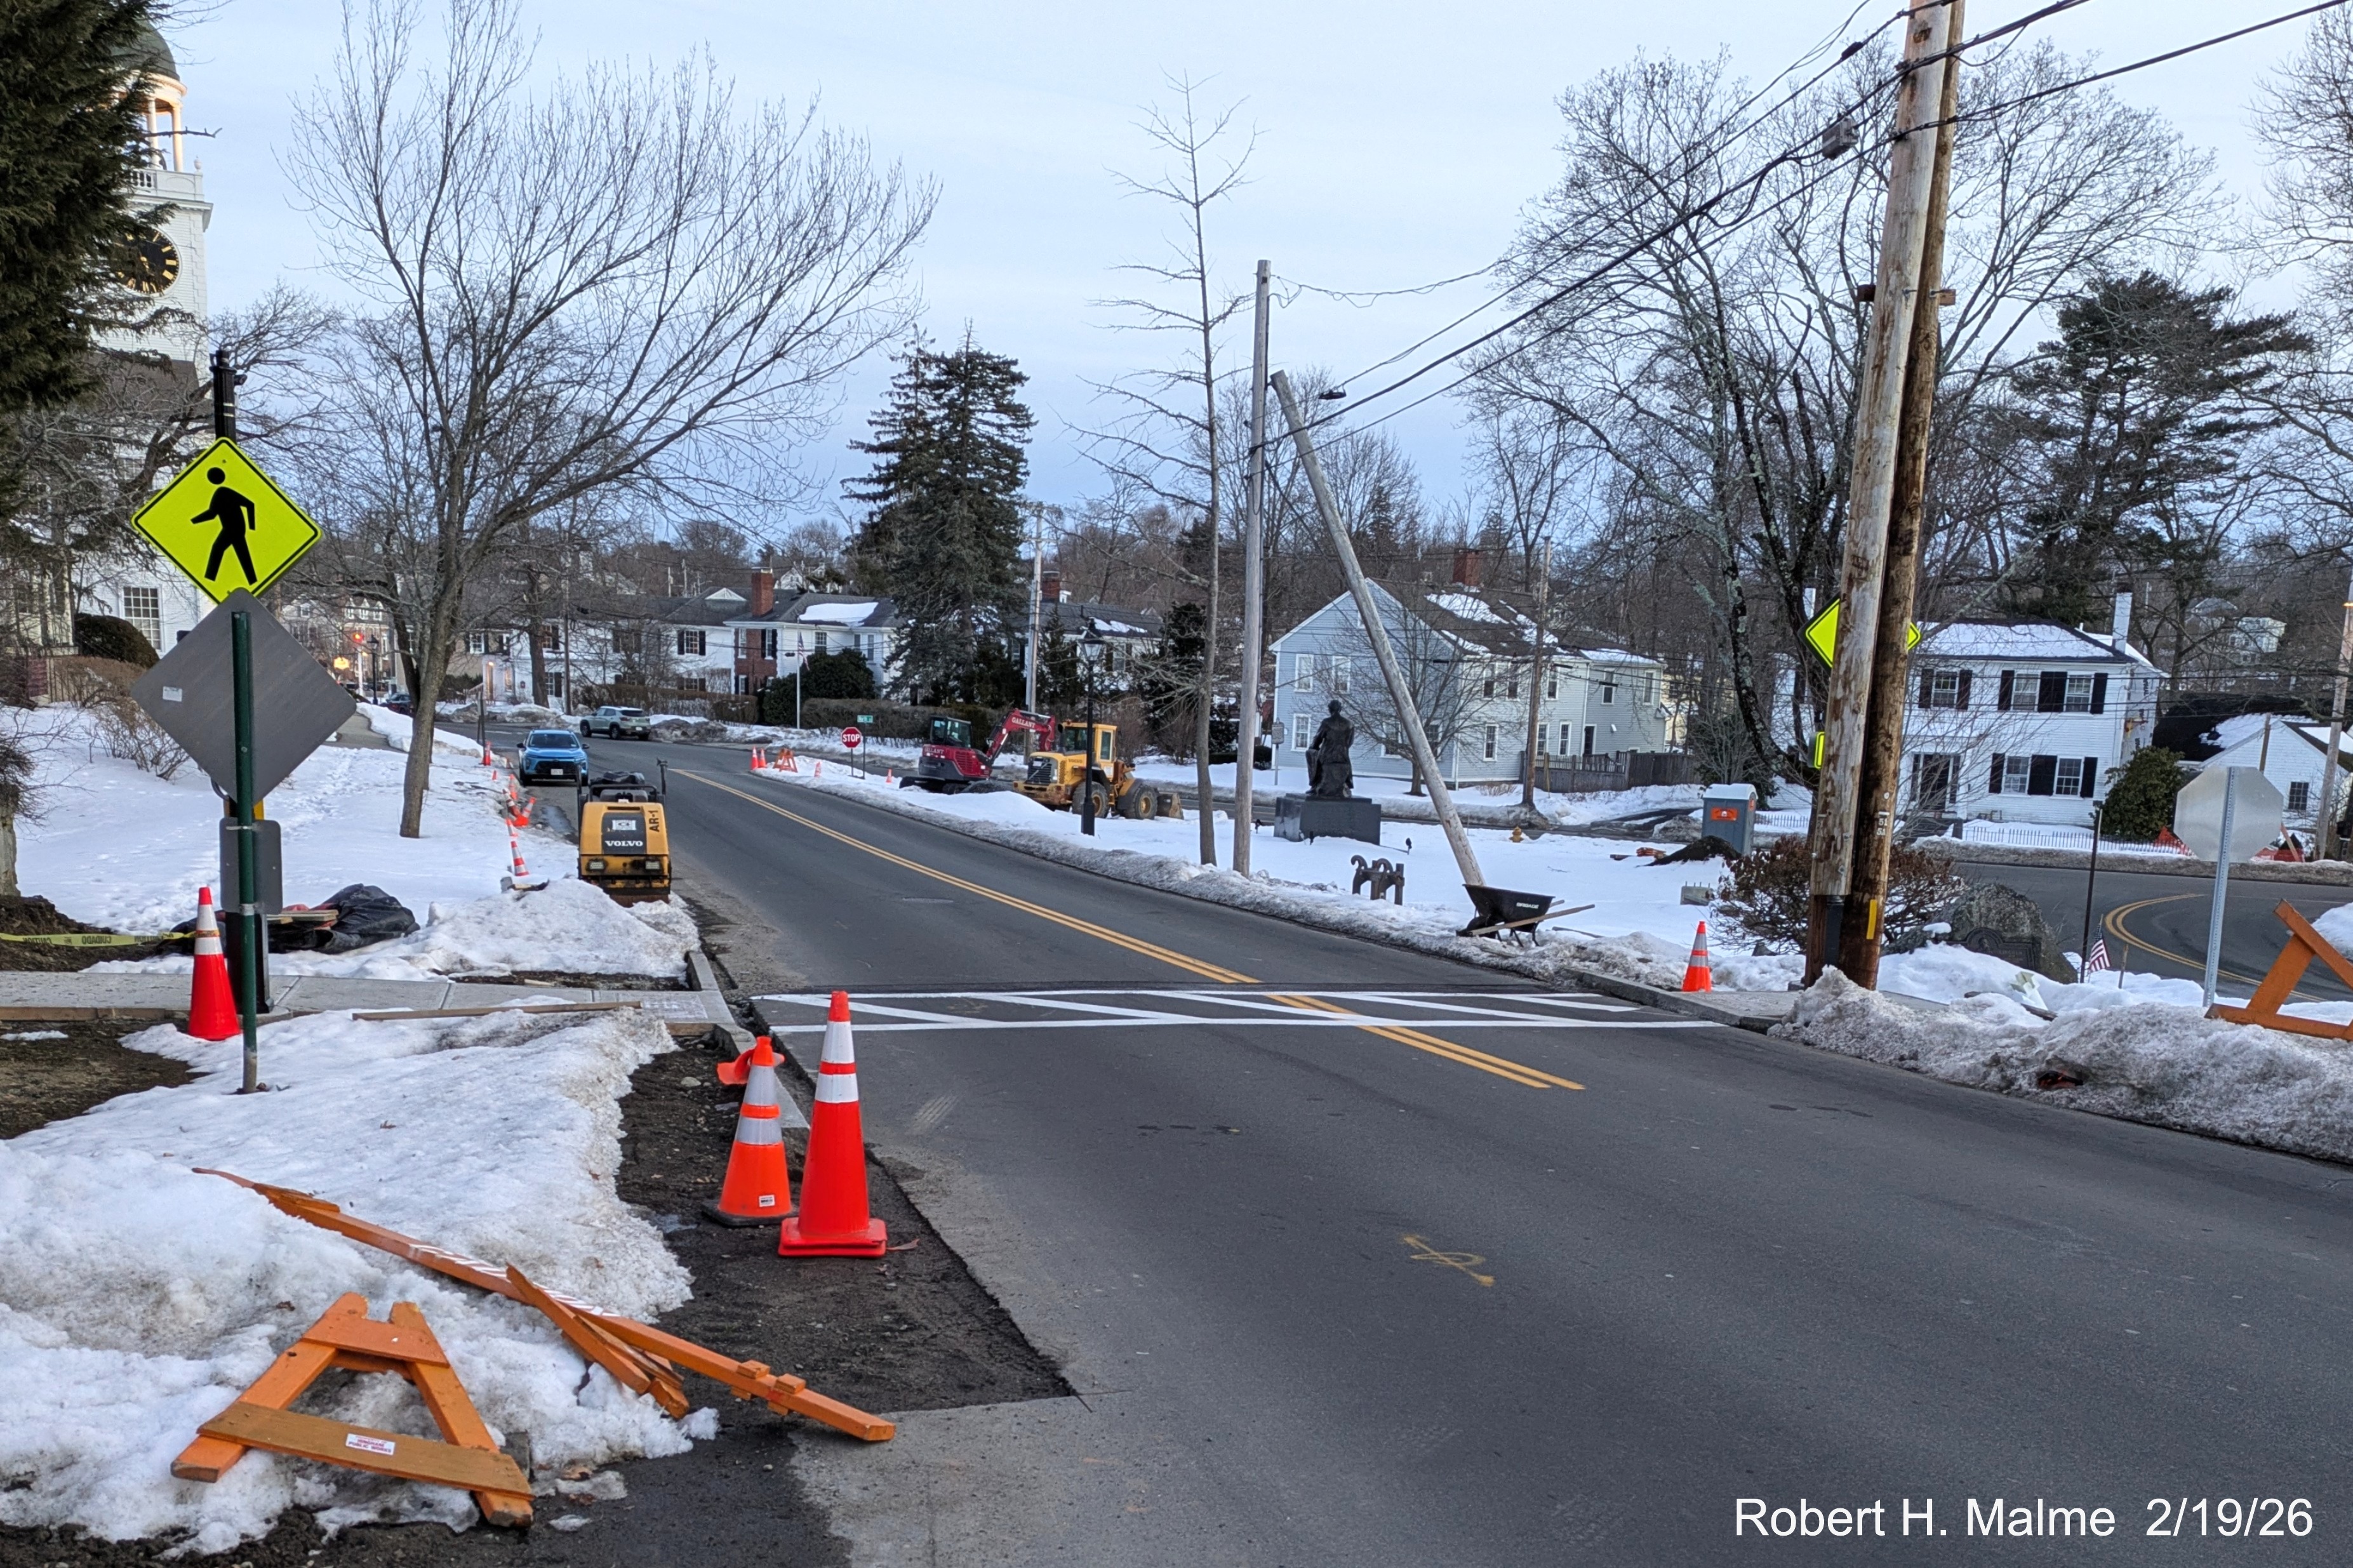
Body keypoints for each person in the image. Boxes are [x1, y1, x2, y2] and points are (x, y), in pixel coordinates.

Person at [190, 466, 259, 585]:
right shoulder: (221, 492)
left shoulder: (223, 492)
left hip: (233, 529)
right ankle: (253, 581)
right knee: (243, 556)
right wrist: (193, 521)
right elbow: (212, 514)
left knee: (218, 548)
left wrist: (252, 527)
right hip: (234, 529)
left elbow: (250, 504)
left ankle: (210, 579)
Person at [1307, 700, 1355, 799]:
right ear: (1340, 709)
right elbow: (1350, 742)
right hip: (1343, 756)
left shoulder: (1327, 722)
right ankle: (1346, 784)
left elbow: (1318, 739)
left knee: (1309, 754)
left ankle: (1314, 784)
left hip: (1327, 756)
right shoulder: (1350, 724)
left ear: (1329, 709)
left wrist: (1313, 747)